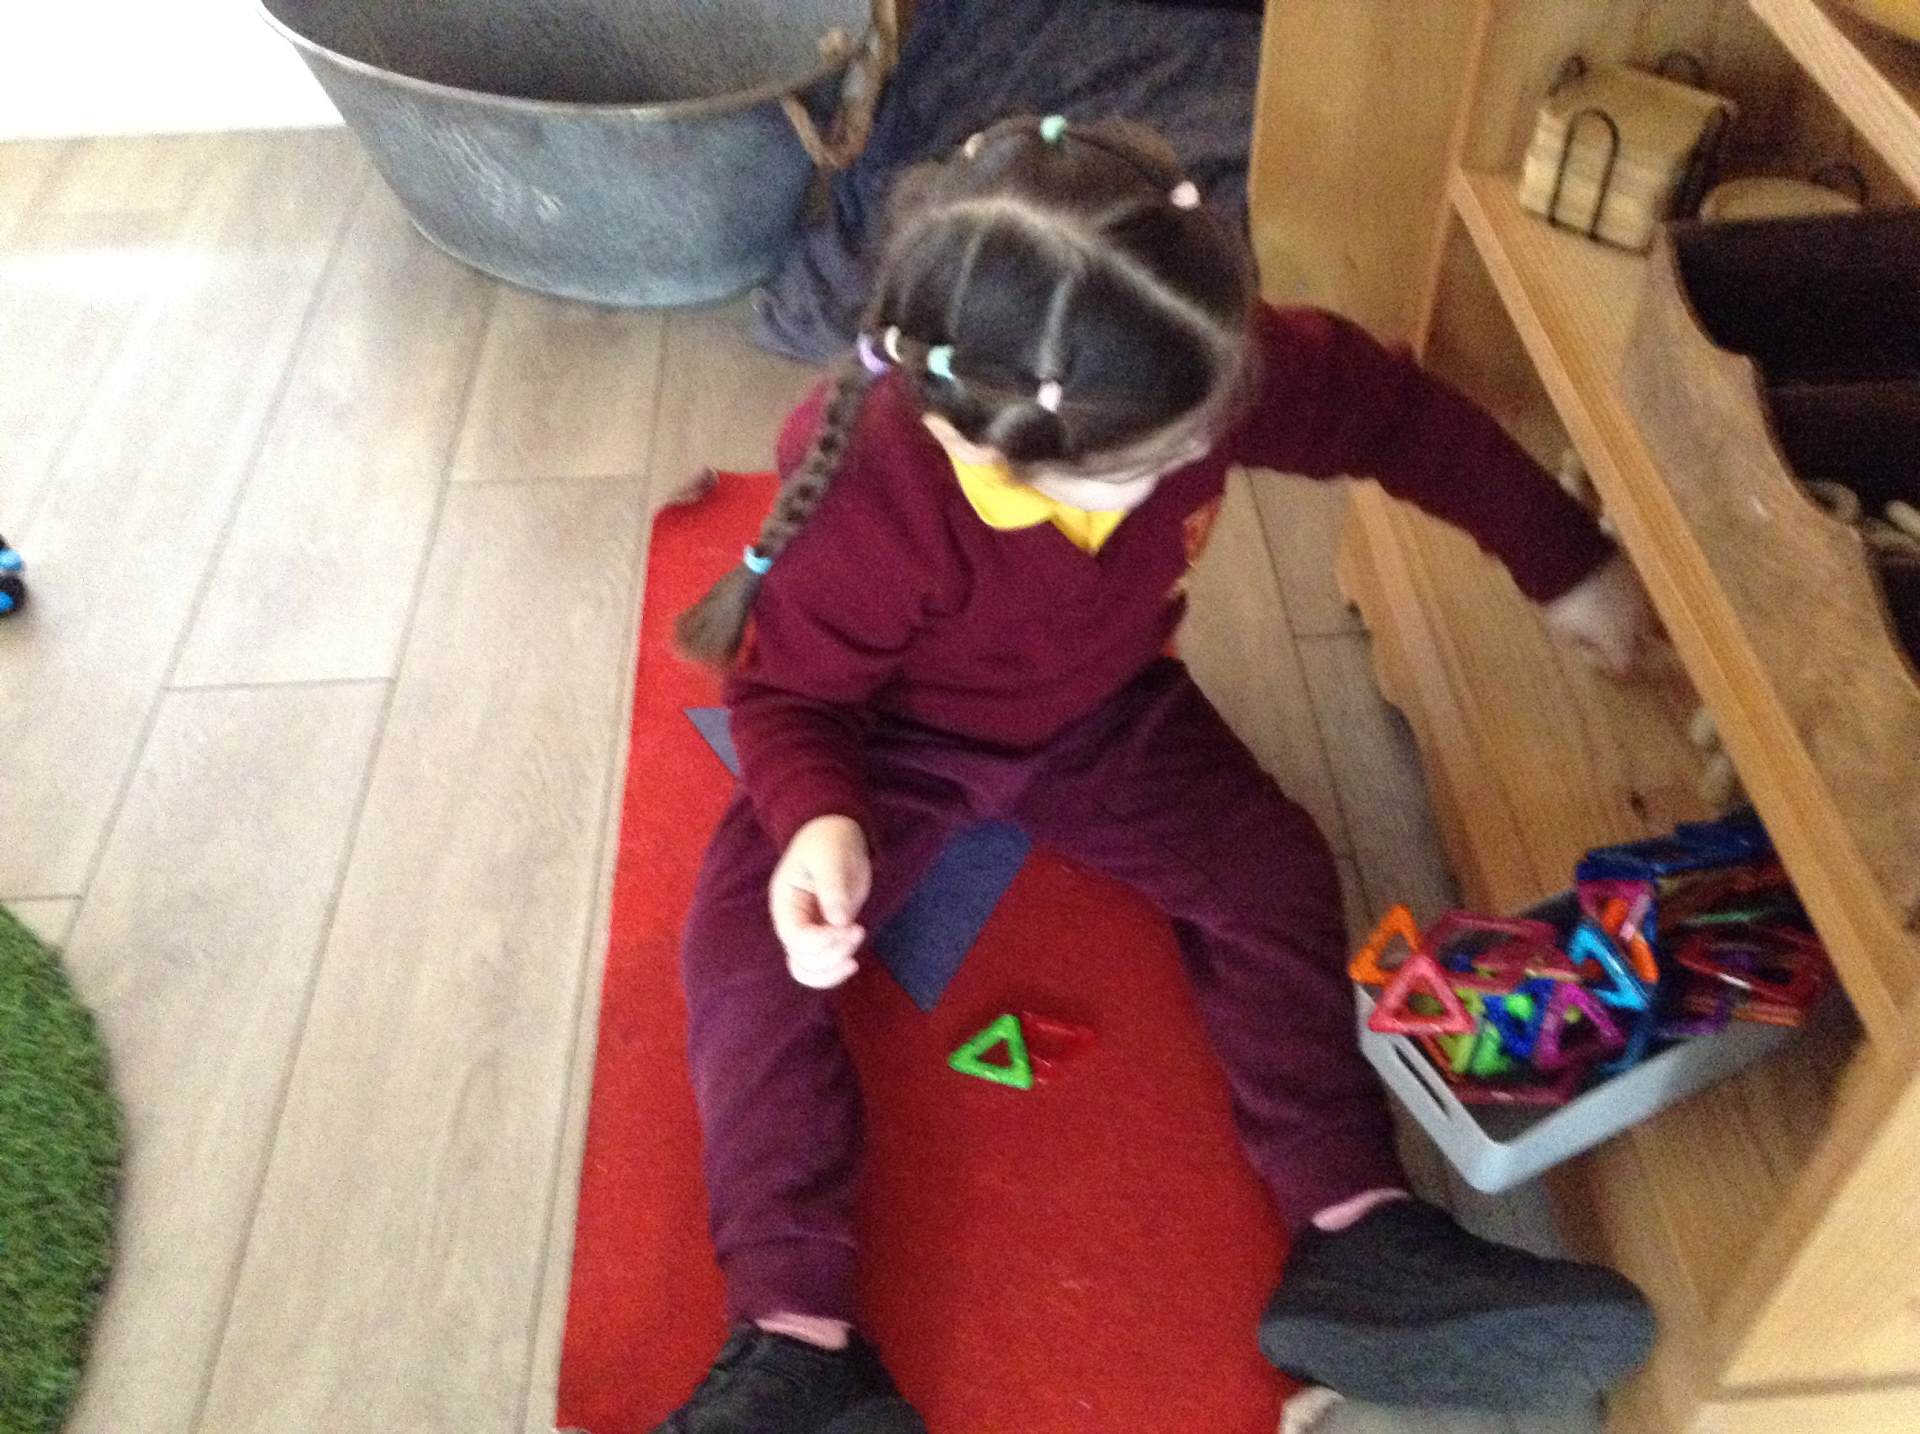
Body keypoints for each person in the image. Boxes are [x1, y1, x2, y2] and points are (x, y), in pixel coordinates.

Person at [657, 115, 1657, 1433]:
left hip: (1104, 713)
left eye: (1191, 445)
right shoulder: (873, 489)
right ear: (976, 445)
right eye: (1132, 473)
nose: (1179, 476)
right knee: (742, 950)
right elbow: (792, 695)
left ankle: (1357, 1228)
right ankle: (794, 1337)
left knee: (1273, 865)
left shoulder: (1201, 363)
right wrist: (817, 822)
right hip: (892, 744)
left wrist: (1565, 558)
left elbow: (1395, 415)